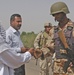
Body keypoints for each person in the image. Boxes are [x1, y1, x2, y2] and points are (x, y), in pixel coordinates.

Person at [50, 1, 74, 75]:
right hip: (57, 67)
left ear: (64, 12)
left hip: (71, 66)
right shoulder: (53, 30)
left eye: (57, 14)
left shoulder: (73, 28)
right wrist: (41, 52)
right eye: (54, 15)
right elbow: (51, 46)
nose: (55, 16)